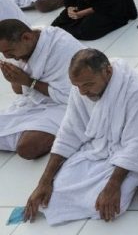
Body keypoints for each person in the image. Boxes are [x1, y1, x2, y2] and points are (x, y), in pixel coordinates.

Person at [23, 49, 138, 225]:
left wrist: (112, 186)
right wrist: (44, 181)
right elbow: (68, 132)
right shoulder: (80, 87)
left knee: (109, 205)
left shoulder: (136, 90)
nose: (82, 92)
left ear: (107, 72)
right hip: (97, 149)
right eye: (77, 86)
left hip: (127, 157)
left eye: (88, 85)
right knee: (55, 191)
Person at [0, 19, 84, 159]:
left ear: (27, 37)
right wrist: (14, 79)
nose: (7, 57)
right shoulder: (21, 48)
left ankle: (27, 132)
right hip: (36, 102)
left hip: (67, 105)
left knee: (27, 149)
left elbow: (73, 95)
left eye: (9, 51)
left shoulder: (62, 47)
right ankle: (25, 131)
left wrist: (27, 81)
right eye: (3, 53)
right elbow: (19, 91)